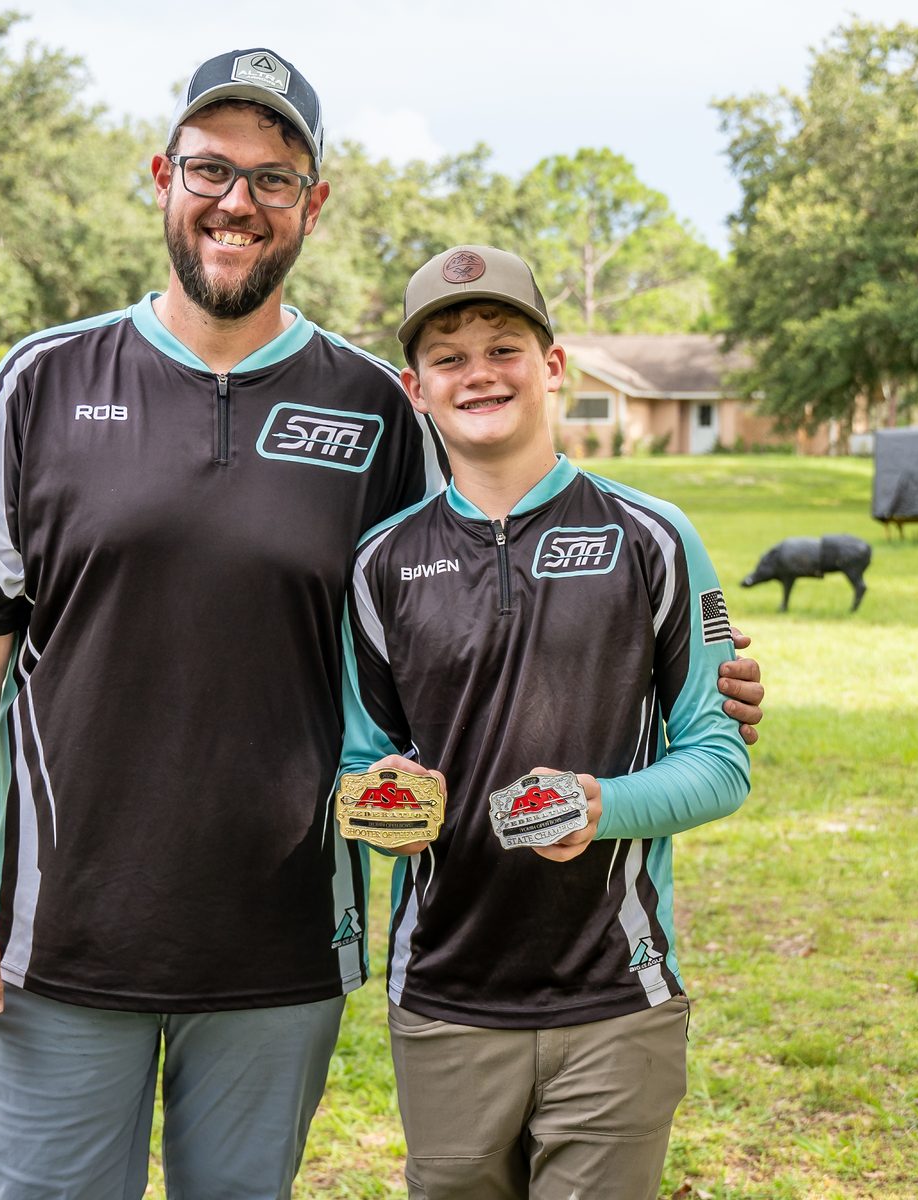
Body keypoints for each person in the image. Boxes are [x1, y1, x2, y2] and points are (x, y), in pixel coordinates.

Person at [0, 50, 766, 1199]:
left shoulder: (374, 404)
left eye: (274, 178)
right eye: (212, 169)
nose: (237, 203)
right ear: (163, 177)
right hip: (58, 947)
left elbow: (495, 547)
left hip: (281, 951)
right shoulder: (44, 383)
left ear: (313, 205)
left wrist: (686, 671)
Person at [340, 245, 751, 1199]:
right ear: (416, 389)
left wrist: (599, 805)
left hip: (617, 995)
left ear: (554, 366)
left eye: (504, 346)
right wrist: (381, 806)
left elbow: (719, 759)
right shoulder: (379, 564)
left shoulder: (652, 536)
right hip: (444, 998)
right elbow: (363, 760)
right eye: (449, 356)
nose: (478, 371)